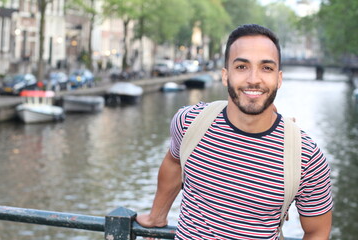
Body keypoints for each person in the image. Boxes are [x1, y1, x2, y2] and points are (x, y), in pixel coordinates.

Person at [136, 24, 333, 239]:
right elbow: (174, 162)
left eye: (266, 68)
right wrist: (157, 216)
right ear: (225, 75)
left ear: (279, 78)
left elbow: (317, 232)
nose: (254, 79)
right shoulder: (190, 122)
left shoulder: (306, 156)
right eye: (241, 67)